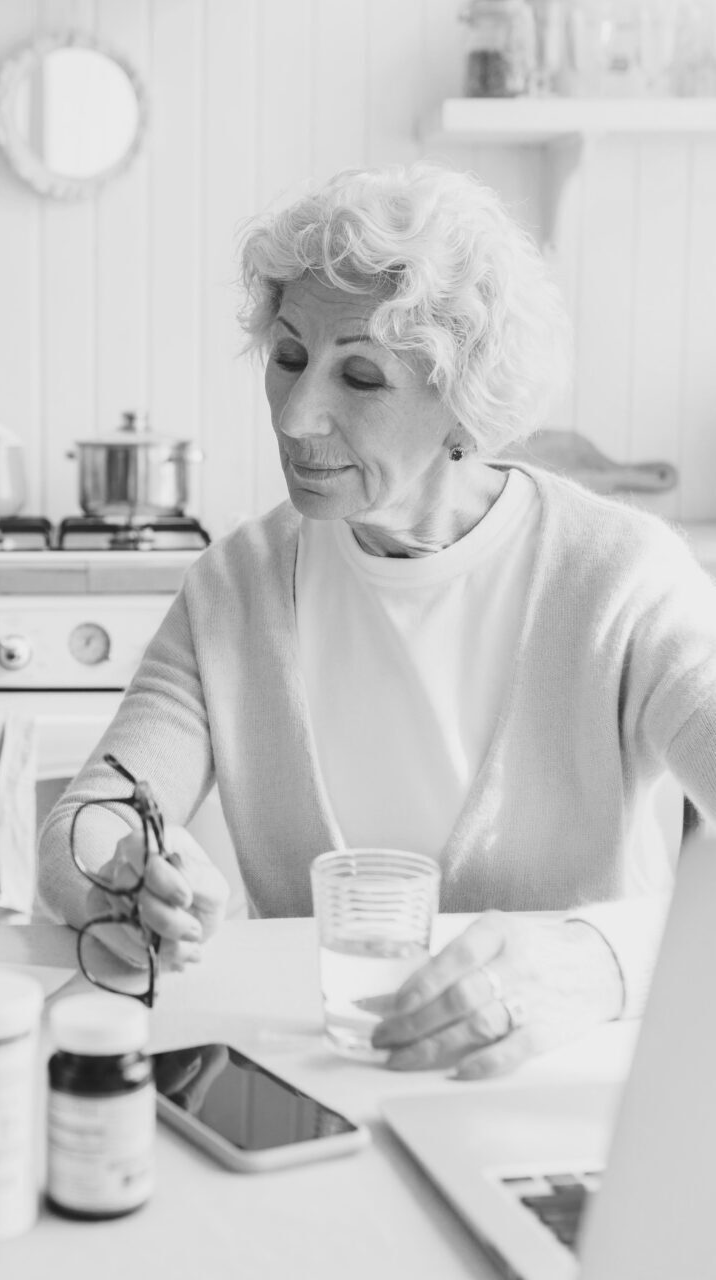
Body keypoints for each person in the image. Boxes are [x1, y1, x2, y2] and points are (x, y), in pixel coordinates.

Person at [38, 162, 716, 1079]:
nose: (298, 412)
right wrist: (121, 876)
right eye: (287, 358)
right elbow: (86, 821)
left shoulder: (622, 581)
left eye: (361, 375)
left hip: (568, 1101)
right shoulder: (235, 587)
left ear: (466, 403)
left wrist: (595, 963)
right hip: (313, 1087)